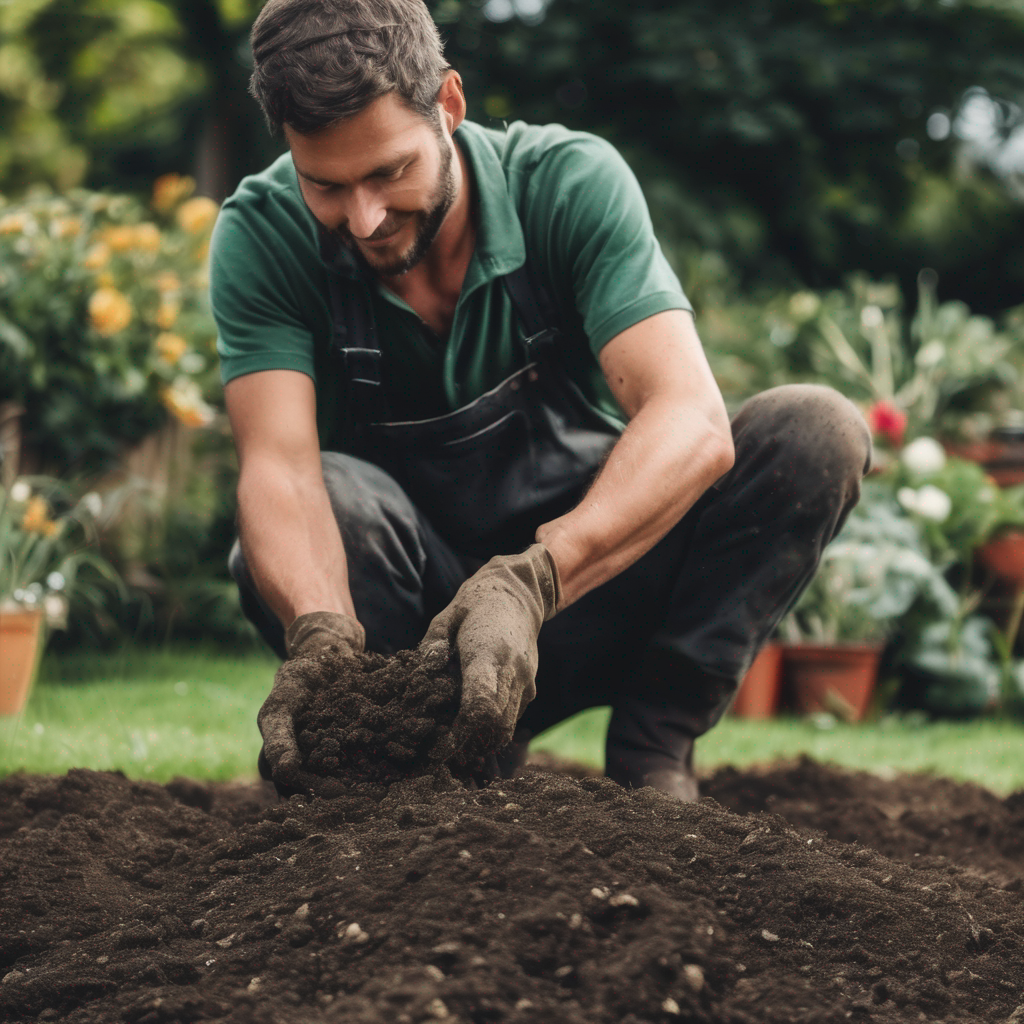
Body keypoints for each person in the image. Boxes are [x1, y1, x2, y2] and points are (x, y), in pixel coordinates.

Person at [211, 0, 872, 802]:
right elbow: (278, 470)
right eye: (326, 185)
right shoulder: (261, 235)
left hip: (586, 590)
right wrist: (319, 631)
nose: (366, 218)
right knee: (330, 498)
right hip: (418, 640)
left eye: (389, 172)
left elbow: (690, 418)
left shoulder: (564, 183)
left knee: (815, 432)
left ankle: (653, 747)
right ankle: (440, 757)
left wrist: (528, 583)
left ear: (448, 105)